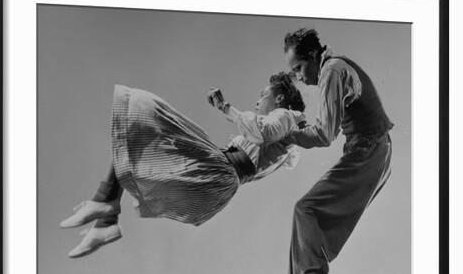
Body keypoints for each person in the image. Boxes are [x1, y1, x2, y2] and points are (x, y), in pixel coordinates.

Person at [60, 72, 306, 258]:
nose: (258, 100)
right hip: (219, 178)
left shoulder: (284, 116)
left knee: (145, 114)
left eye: (263, 95)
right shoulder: (286, 137)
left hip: (220, 169)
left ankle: (104, 206)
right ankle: (105, 218)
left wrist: (225, 107)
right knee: (139, 141)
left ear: (280, 98)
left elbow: (262, 132)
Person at [263, 28, 394, 274]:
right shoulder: (332, 69)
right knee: (305, 215)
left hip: (370, 150)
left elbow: (323, 134)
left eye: (298, 68)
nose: (298, 77)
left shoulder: (332, 70)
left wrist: (287, 134)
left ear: (312, 56)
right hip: (368, 150)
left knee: (306, 209)